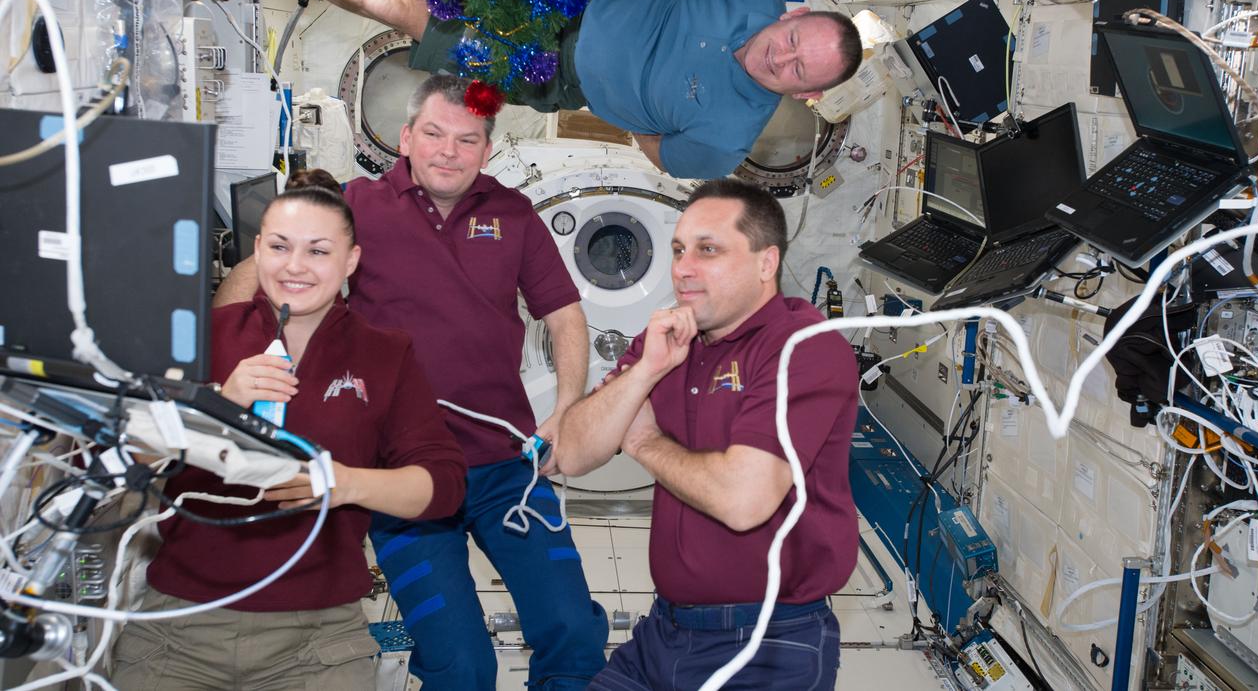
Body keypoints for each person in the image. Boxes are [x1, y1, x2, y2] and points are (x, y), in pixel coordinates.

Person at [214, 74, 608, 689]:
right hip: (402, 475)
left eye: (467, 140)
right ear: (405, 138)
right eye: (433, 134)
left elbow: (564, 316)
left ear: (486, 149)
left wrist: (567, 411)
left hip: (506, 467)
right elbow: (262, 281)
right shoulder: (357, 207)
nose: (448, 151)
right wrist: (248, 301)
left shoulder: (513, 213)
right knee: (461, 664)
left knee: (574, 631)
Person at [111, 169, 468, 690]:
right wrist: (215, 406)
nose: (295, 266)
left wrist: (345, 483)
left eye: (318, 251)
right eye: (279, 247)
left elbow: (444, 486)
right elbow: (122, 459)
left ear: (351, 261)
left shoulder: (385, 354)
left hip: (317, 642)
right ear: (257, 251)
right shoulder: (201, 339)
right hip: (178, 629)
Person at [264, 0, 863, 179]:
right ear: (794, 15)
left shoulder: (725, 144)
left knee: (395, 4)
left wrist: (622, 94)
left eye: (798, 70)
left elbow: (658, 151)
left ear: (806, 94)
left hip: (549, 72)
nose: (781, 57)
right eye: (792, 40)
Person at [556, 178, 860, 690]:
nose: (683, 268)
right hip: (663, 634)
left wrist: (644, 442)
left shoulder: (804, 347)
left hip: (768, 644)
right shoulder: (668, 340)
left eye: (708, 250)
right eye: (678, 250)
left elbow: (743, 500)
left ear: (766, 263)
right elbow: (571, 452)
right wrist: (645, 371)